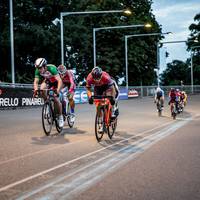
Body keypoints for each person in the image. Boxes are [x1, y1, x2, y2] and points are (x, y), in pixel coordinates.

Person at [33, 58, 64, 127]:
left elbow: (60, 81)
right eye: (37, 68)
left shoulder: (52, 68)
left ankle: (60, 117)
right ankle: (47, 104)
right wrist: (35, 90)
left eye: (40, 68)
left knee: (56, 99)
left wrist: (57, 91)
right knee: (41, 89)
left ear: (44, 66)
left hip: (57, 82)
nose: (39, 69)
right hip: (48, 81)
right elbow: (36, 82)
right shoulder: (37, 70)